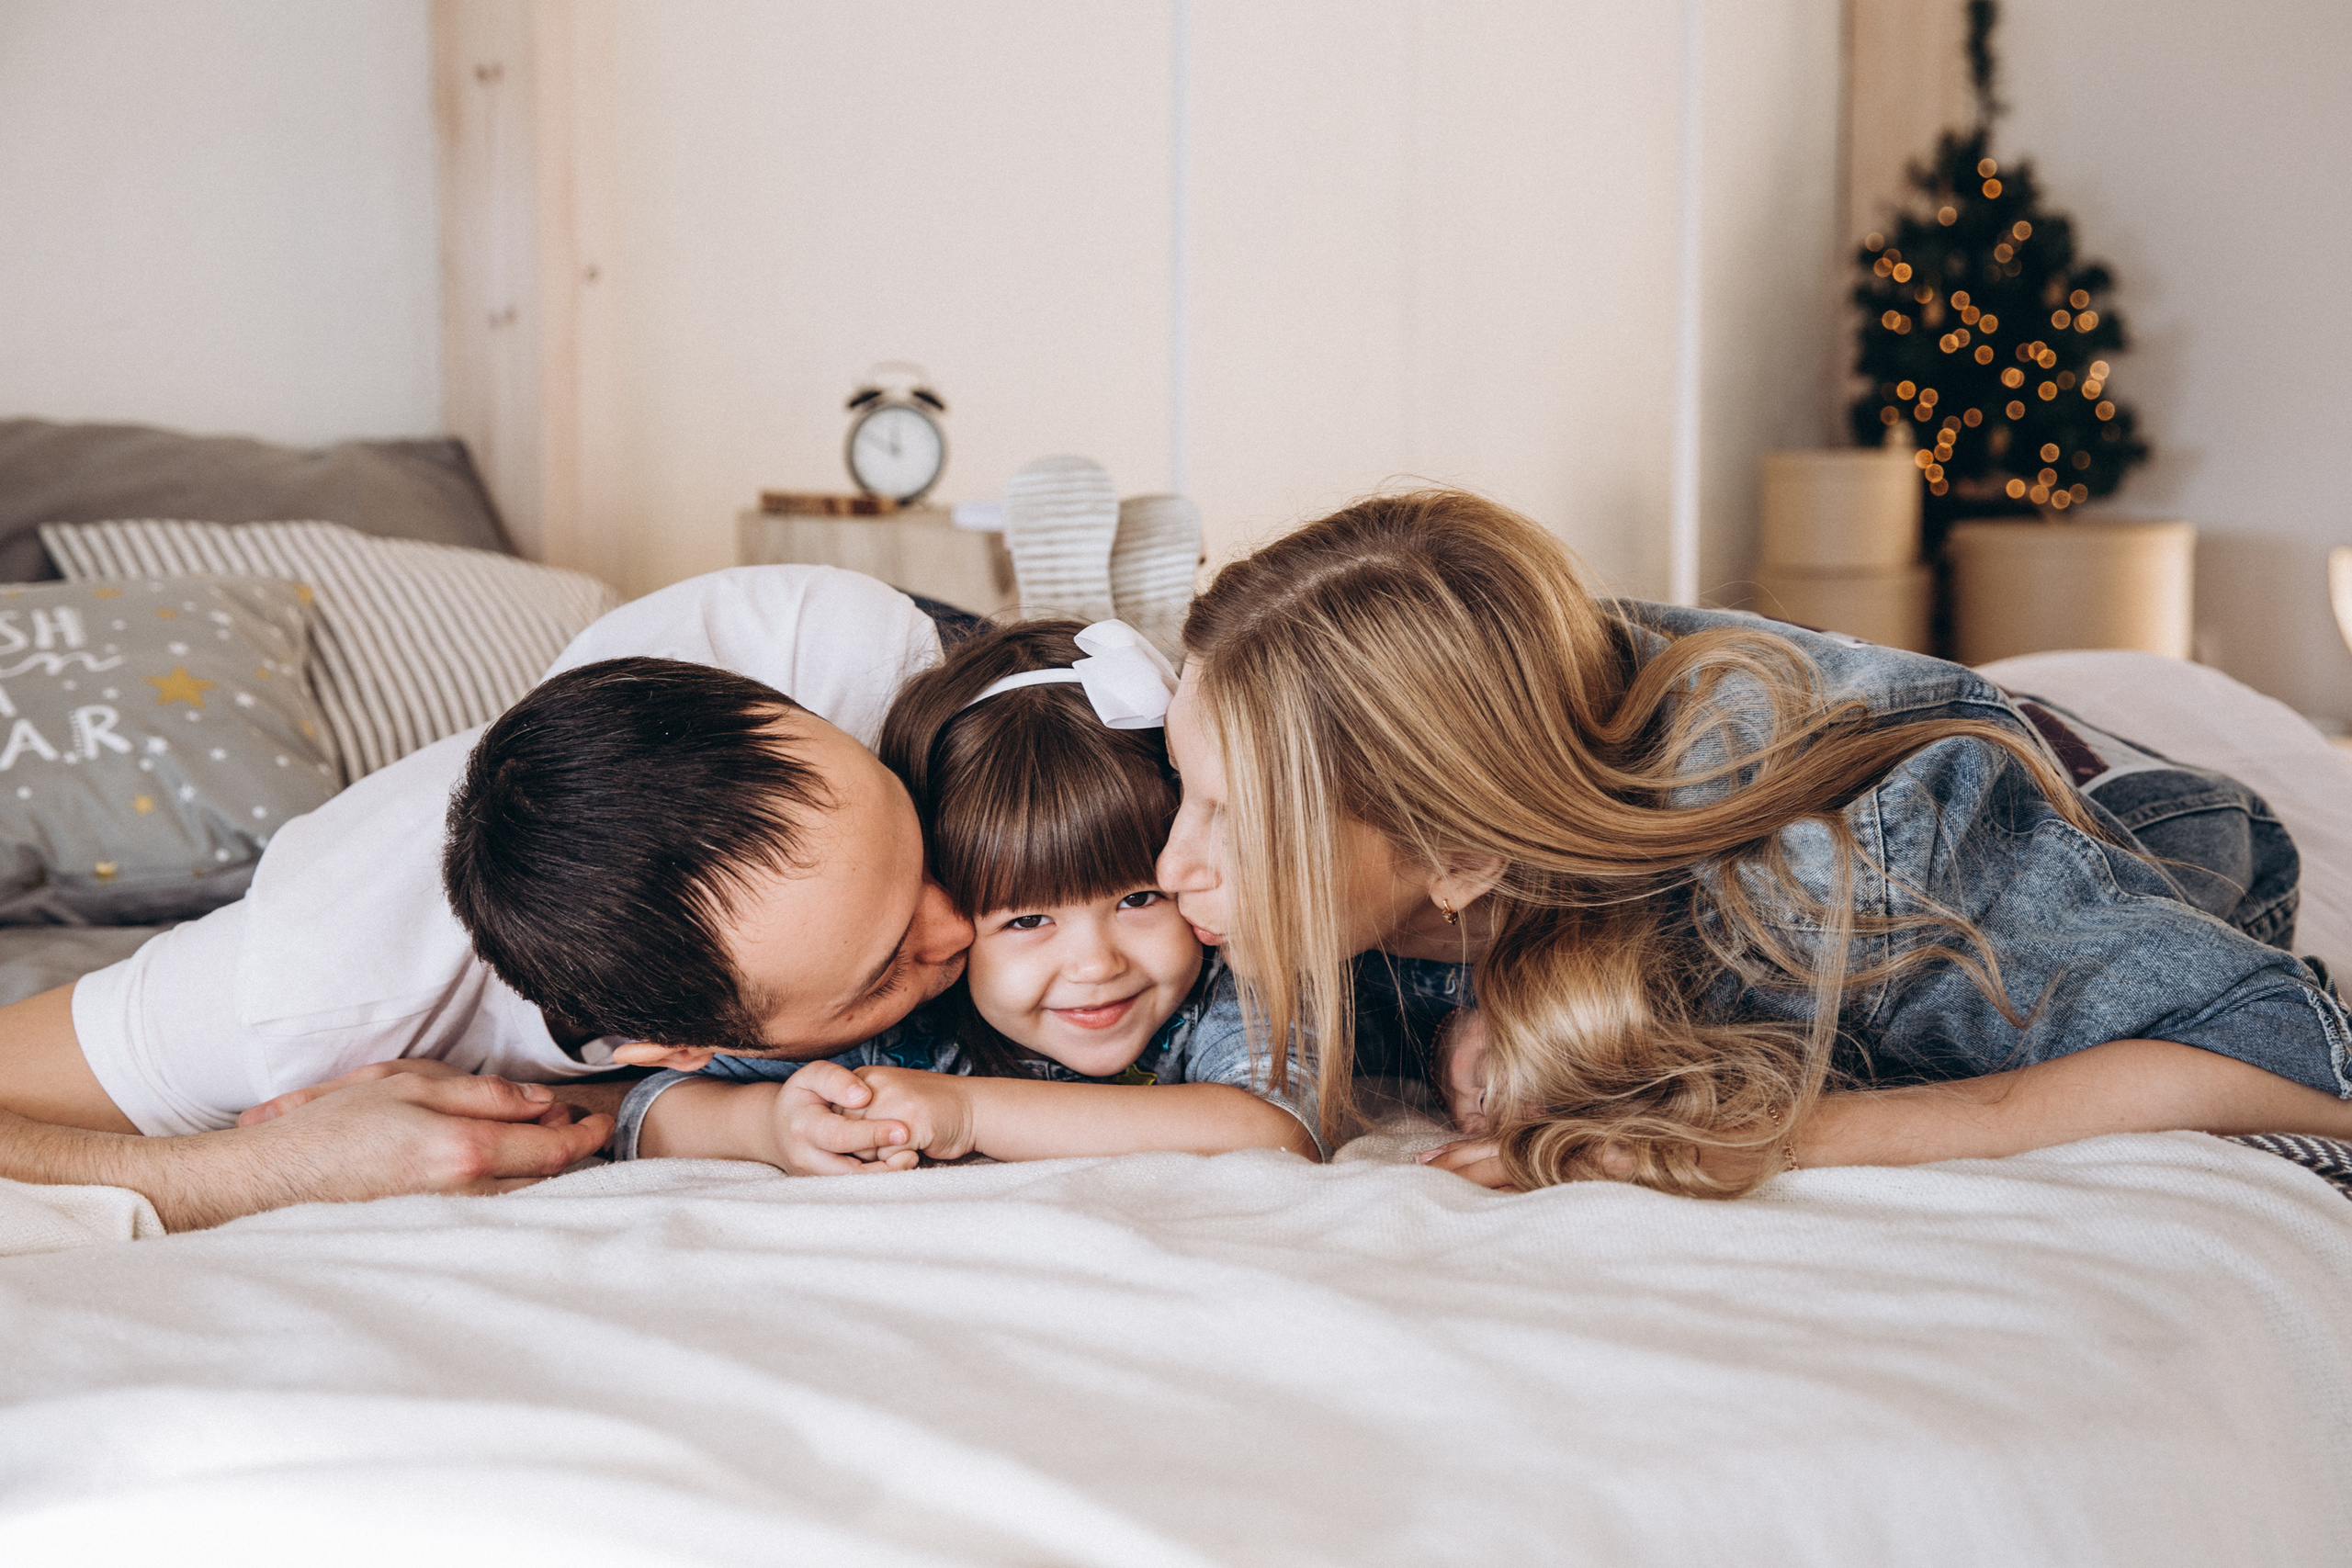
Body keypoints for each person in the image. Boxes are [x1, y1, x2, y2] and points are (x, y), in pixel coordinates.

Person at [1151, 491, 2350, 1196]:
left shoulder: (1859, 854)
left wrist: (1747, 1132)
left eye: (1234, 824)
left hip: (2133, 818)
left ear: (1462, 855)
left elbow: (2299, 1062)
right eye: (1181, 791)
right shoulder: (1329, 770)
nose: (1171, 868)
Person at [0, 566, 972, 1226]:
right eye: (888, 964)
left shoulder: (853, 665)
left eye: (922, 845)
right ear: (677, 1047)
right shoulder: (311, 983)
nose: (961, 921)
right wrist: (264, 1172)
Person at [605, 619, 1320, 1169]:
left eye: (1138, 899)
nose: (1096, 963)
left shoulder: (1228, 974)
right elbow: (651, 1106)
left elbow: (1276, 1128)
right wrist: (768, 1125)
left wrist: (967, 1111)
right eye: (1028, 918)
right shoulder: (904, 1010)